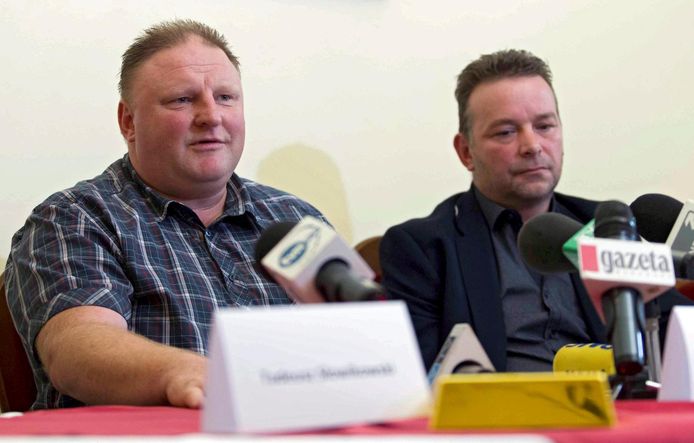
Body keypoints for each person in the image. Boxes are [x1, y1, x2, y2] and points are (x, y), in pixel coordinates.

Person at [4, 20, 326, 410]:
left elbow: (363, 344)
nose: (212, 116)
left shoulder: (294, 219)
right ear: (128, 122)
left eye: (225, 97)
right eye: (182, 100)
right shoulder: (74, 217)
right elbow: (77, 350)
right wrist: (197, 376)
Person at [379, 49, 688, 372]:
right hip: (504, 417)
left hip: (620, 412)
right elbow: (420, 381)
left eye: (544, 126)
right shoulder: (423, 248)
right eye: (506, 132)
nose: (532, 145)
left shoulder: (606, 226)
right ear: (466, 152)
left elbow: (678, 330)